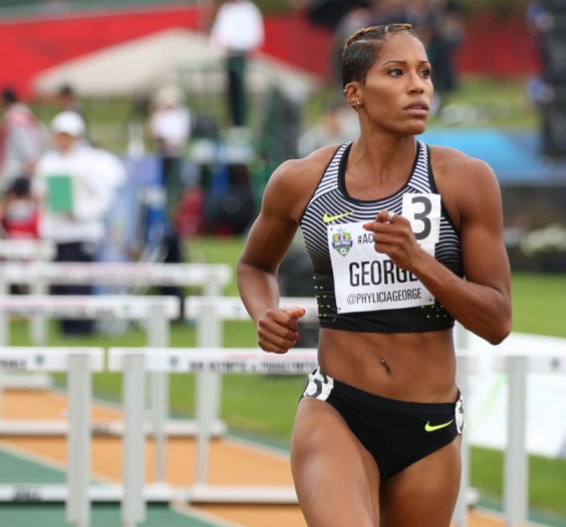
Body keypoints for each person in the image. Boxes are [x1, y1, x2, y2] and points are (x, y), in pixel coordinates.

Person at [236, 23, 512, 526]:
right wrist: (264, 313)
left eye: (425, 72)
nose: (418, 86)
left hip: (429, 427)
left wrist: (421, 262)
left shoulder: (465, 180)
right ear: (355, 94)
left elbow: (497, 322)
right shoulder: (302, 180)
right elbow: (255, 265)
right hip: (338, 410)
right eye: (397, 72)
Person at [32, 111, 126, 336]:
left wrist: (80, 212)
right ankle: (66, 327)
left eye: (67, 135)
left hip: (83, 231)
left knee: (79, 282)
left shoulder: (91, 162)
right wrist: (44, 196)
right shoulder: (48, 162)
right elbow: (38, 191)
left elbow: (104, 196)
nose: (63, 140)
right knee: (60, 283)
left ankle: (82, 328)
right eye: (60, 135)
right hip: (56, 232)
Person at [209, 0, 264, 129]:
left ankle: (243, 123)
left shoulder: (249, 9)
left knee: (243, 91)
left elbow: (254, 35)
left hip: (242, 56)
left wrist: (247, 47)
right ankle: (235, 124)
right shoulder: (226, 10)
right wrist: (221, 48)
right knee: (230, 91)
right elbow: (218, 35)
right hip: (228, 57)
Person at [0, 85, 44, 196]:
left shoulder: (16, 118)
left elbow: (23, 143)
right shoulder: (24, 114)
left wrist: (30, 161)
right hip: (21, 167)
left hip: (18, 170)